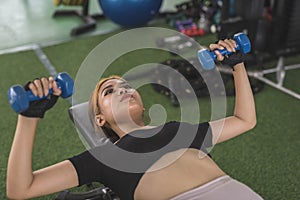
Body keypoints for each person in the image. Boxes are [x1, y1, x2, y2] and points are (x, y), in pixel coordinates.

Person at [6, 39, 263, 200]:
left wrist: (237, 65)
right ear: (100, 119)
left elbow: (244, 120)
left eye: (126, 85)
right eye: (109, 91)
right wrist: (29, 117)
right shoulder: (105, 158)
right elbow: (20, 189)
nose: (123, 90)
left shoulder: (178, 130)